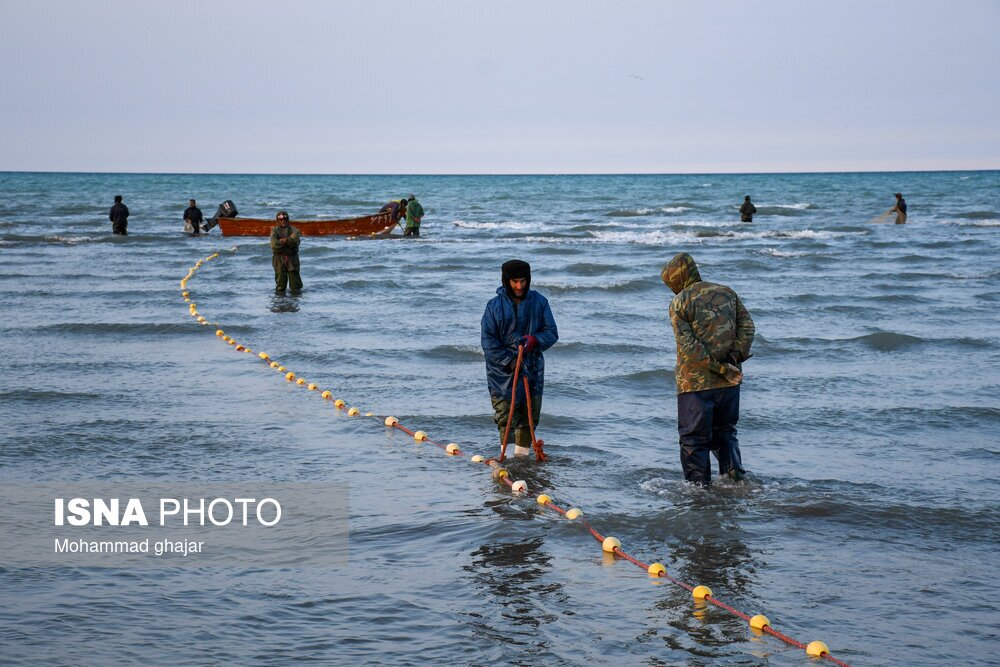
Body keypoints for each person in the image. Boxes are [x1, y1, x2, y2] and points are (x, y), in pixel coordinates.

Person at [662, 252, 755, 486]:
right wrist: (733, 358)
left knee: (694, 440)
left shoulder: (680, 302)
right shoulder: (727, 292)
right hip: (730, 381)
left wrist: (716, 367)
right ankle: (734, 482)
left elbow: (689, 347)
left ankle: (698, 493)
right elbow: (748, 326)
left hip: (695, 384)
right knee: (726, 432)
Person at [481, 259, 559, 459]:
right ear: (506, 281)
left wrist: (534, 340)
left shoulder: (540, 302)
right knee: (505, 417)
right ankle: (505, 461)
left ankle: (522, 462)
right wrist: (510, 361)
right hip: (501, 373)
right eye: (515, 281)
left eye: (523, 281)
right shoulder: (493, 306)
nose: (519, 286)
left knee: (529, 418)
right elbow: (489, 343)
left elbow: (552, 332)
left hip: (532, 369)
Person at [270, 211, 302, 291]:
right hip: (278, 259)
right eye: (280, 219)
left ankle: (295, 302)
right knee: (280, 286)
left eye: (285, 219)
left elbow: (295, 240)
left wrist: (284, 241)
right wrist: (289, 242)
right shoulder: (274, 230)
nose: (283, 221)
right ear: (277, 221)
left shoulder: (295, 230)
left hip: (292, 259)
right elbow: (274, 245)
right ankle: (281, 302)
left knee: (296, 286)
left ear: (288, 219)